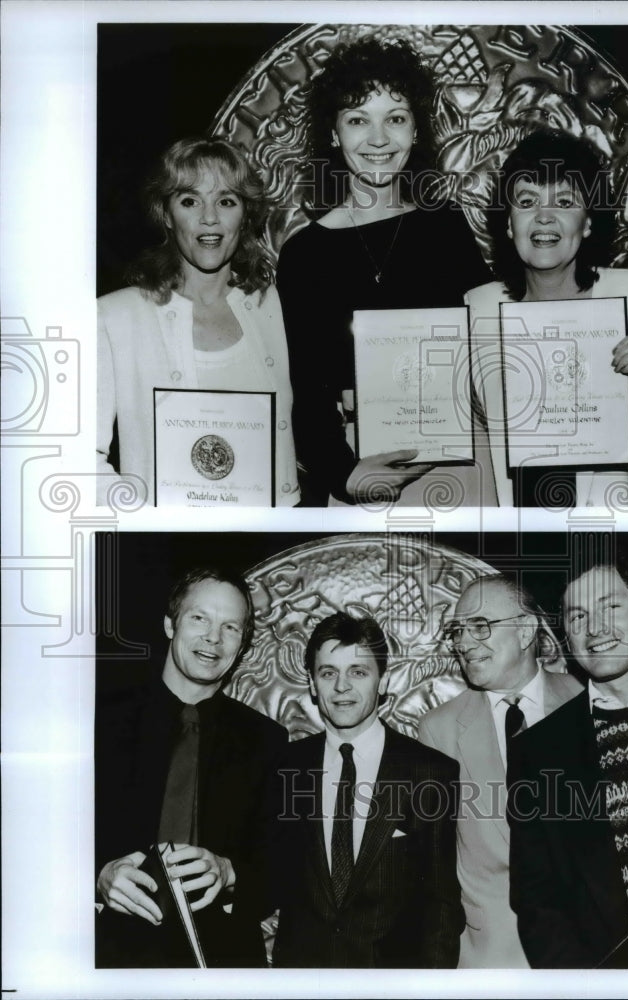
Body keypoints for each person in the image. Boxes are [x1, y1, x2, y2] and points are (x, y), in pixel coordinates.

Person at [275, 37, 494, 506]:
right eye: (358, 120)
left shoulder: (447, 227)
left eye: (395, 118)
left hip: (461, 461)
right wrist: (343, 475)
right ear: (334, 133)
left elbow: (493, 350)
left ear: (415, 130)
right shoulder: (304, 255)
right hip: (363, 466)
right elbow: (305, 392)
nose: (378, 139)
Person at [468, 129, 628, 507]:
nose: (544, 217)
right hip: (524, 532)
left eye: (565, 202)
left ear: (587, 222)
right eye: (527, 201)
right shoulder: (476, 311)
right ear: (509, 223)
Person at [95, 566, 288, 967]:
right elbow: (44, 839)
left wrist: (229, 873)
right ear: (170, 624)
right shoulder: (98, 722)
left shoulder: (267, 740)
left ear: (242, 644)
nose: (213, 637)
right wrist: (98, 877)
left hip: (224, 965)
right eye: (199, 618)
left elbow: (280, 871)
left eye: (230, 627)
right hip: (110, 959)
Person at [506, 547, 628, 968]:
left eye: (611, 607)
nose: (595, 629)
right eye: (577, 617)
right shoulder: (538, 751)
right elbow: (538, 903)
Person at [97, 137, 299, 506]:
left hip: (269, 531)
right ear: (166, 215)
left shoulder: (270, 306)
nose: (209, 217)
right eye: (190, 201)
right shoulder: (116, 317)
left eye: (226, 201)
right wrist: (140, 515)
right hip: (170, 537)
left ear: (246, 215)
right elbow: (80, 457)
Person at [270, 612, 463, 967]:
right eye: (328, 673)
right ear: (312, 683)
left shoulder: (430, 773)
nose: (341, 686)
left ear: (382, 680)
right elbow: (269, 876)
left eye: (358, 672)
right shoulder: (285, 767)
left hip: (392, 984)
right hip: (302, 982)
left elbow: (442, 905)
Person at [417, 574, 582, 967]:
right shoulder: (438, 730)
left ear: (525, 631)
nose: (463, 643)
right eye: (458, 631)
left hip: (588, 949)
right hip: (490, 955)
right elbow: (430, 869)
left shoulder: (584, 702)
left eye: (480, 626)